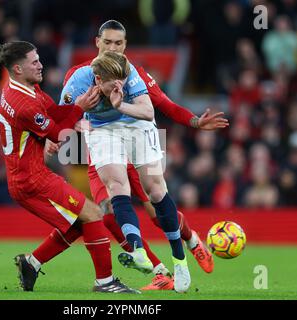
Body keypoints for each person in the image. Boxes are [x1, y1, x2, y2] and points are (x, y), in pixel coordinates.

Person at [46, 20, 228, 292]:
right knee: (107, 212)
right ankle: (156, 268)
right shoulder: (78, 74)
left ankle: (191, 241)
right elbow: (64, 114)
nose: (112, 48)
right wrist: (61, 134)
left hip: (137, 135)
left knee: (156, 207)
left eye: (118, 43)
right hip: (103, 141)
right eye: (107, 42)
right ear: (97, 43)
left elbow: (163, 105)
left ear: (125, 45)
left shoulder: (135, 74)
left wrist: (194, 122)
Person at [0, 40, 139, 294]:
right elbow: (58, 135)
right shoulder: (24, 105)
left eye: (39, 58)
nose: (41, 64)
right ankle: (105, 283)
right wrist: (80, 111)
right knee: (94, 214)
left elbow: (55, 113)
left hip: (30, 175)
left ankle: (32, 263)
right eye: (34, 62)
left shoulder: (23, 89)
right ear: (18, 69)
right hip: (31, 181)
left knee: (79, 224)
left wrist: (77, 108)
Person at [60, 49, 192, 293]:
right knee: (117, 186)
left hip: (137, 124)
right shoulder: (77, 82)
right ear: (98, 80)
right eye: (113, 84)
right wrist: (79, 118)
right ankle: (138, 251)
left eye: (122, 81)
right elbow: (62, 118)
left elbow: (148, 111)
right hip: (102, 130)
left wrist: (120, 104)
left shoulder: (128, 73)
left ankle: (180, 260)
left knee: (156, 190)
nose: (120, 85)